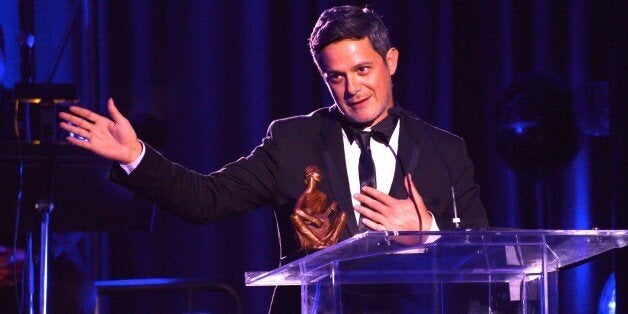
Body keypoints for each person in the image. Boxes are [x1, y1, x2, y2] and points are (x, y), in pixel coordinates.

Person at [58, 5, 489, 312]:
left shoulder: (442, 150)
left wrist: (428, 231)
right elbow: (205, 199)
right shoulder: (293, 140)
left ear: (390, 62)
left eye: (363, 70)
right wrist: (136, 156)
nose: (351, 88)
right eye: (334, 76)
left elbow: (487, 257)